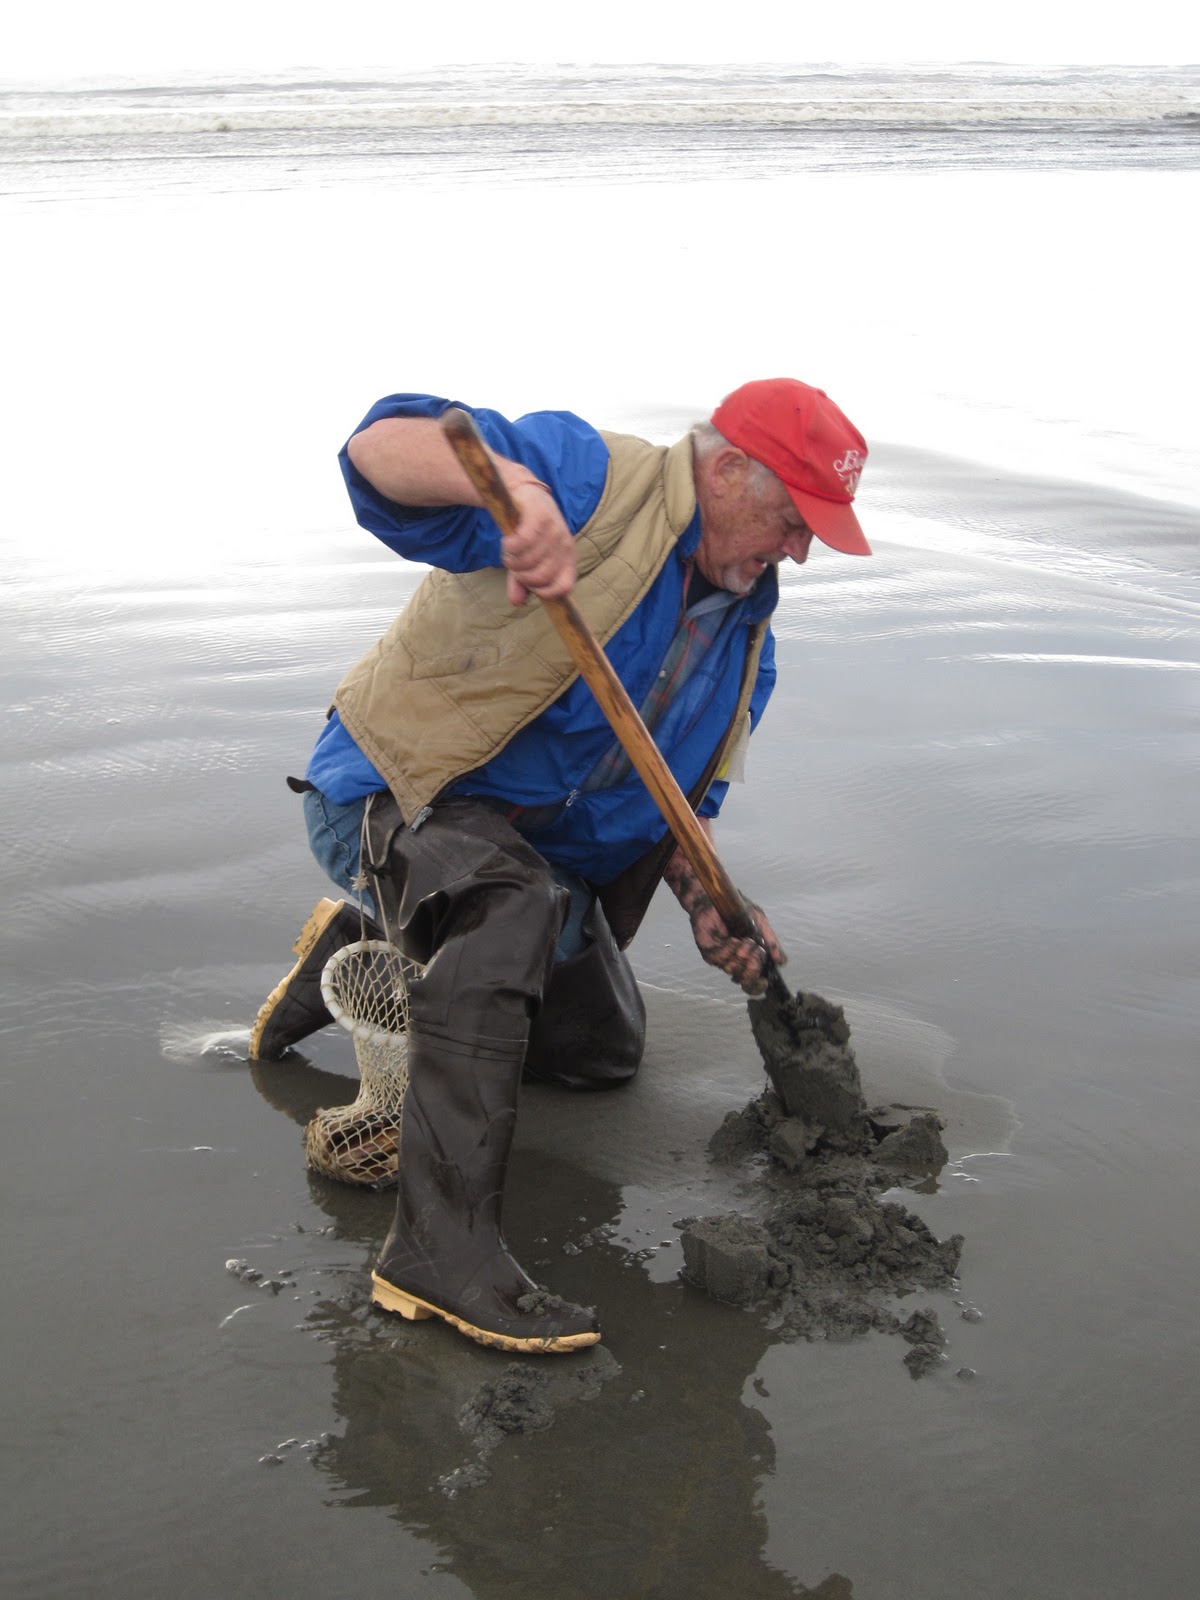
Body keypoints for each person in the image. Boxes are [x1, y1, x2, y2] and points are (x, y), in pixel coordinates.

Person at [250, 378, 871, 1355]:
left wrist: (713, 902)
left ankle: (370, 943)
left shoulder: (754, 656)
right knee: (512, 903)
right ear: (726, 469)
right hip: (393, 798)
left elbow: (676, 816)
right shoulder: (591, 482)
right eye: (793, 518)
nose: (798, 549)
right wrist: (509, 493)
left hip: (522, 877)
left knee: (601, 1052)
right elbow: (379, 451)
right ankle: (437, 1257)